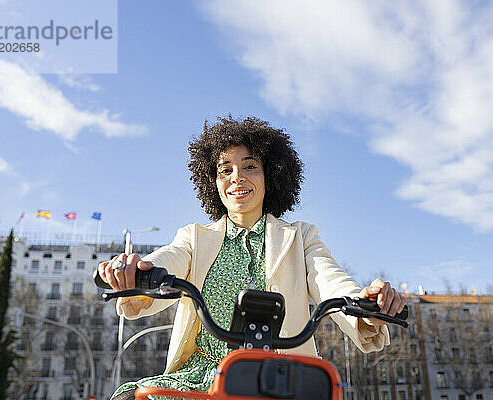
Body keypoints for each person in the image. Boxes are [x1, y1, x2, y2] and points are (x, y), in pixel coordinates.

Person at [98, 116, 407, 400]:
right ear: (213, 181)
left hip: (281, 376)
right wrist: (140, 270)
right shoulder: (194, 238)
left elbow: (328, 278)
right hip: (205, 378)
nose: (237, 178)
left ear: (269, 175)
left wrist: (363, 301)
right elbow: (170, 260)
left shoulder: (300, 237)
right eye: (225, 169)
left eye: (249, 166)